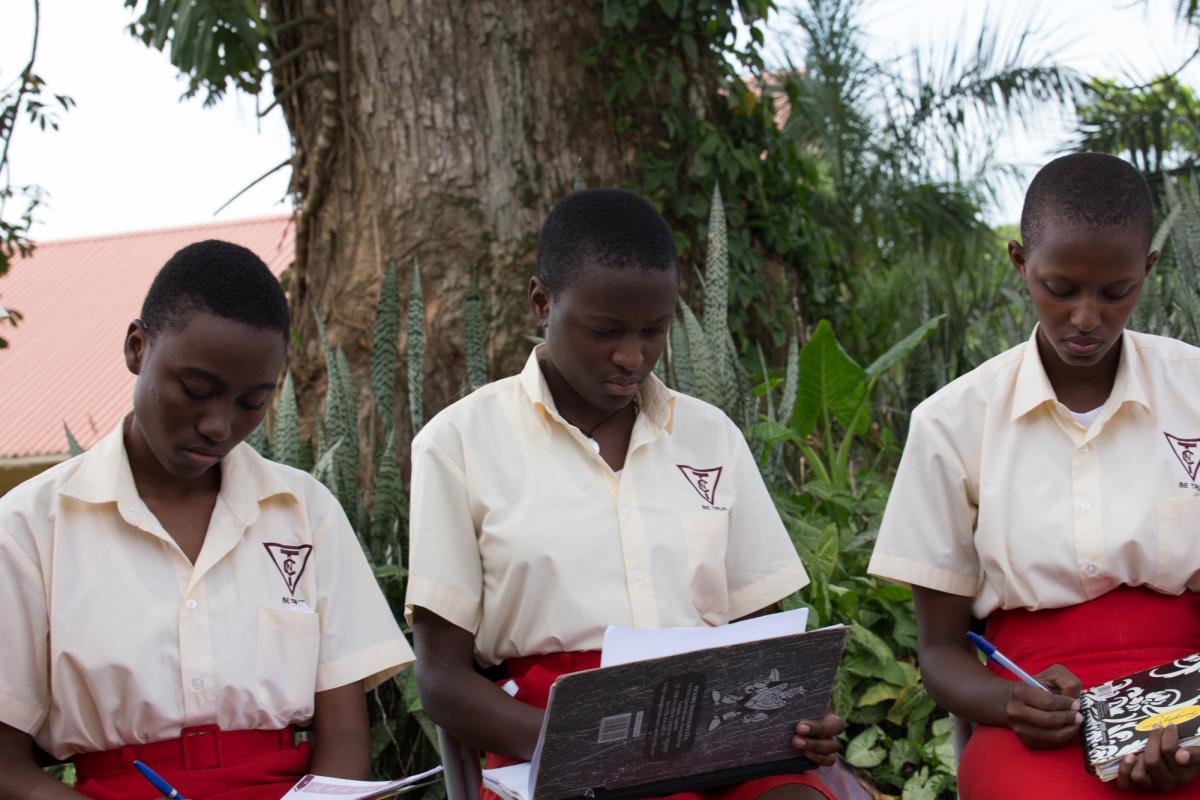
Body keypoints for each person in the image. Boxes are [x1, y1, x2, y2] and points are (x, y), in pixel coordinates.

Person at [406, 188, 844, 800]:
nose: (631, 357)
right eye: (605, 330)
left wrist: (802, 716)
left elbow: (763, 640)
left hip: (719, 728)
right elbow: (440, 676)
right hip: (554, 735)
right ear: (542, 302)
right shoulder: (459, 443)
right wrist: (581, 745)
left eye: (653, 331)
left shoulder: (709, 434)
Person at [0, 240, 414, 799]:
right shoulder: (29, 527)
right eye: (196, 390)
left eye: (252, 403)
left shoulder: (305, 512)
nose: (219, 426)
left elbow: (343, 734)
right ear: (137, 347)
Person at [868, 153, 1200, 797]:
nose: (1086, 317)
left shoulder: (1194, 389)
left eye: (1116, 292)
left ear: (1148, 270)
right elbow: (939, 652)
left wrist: (1189, 724)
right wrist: (1008, 702)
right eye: (1060, 288)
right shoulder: (952, 422)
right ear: (1020, 263)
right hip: (1039, 714)